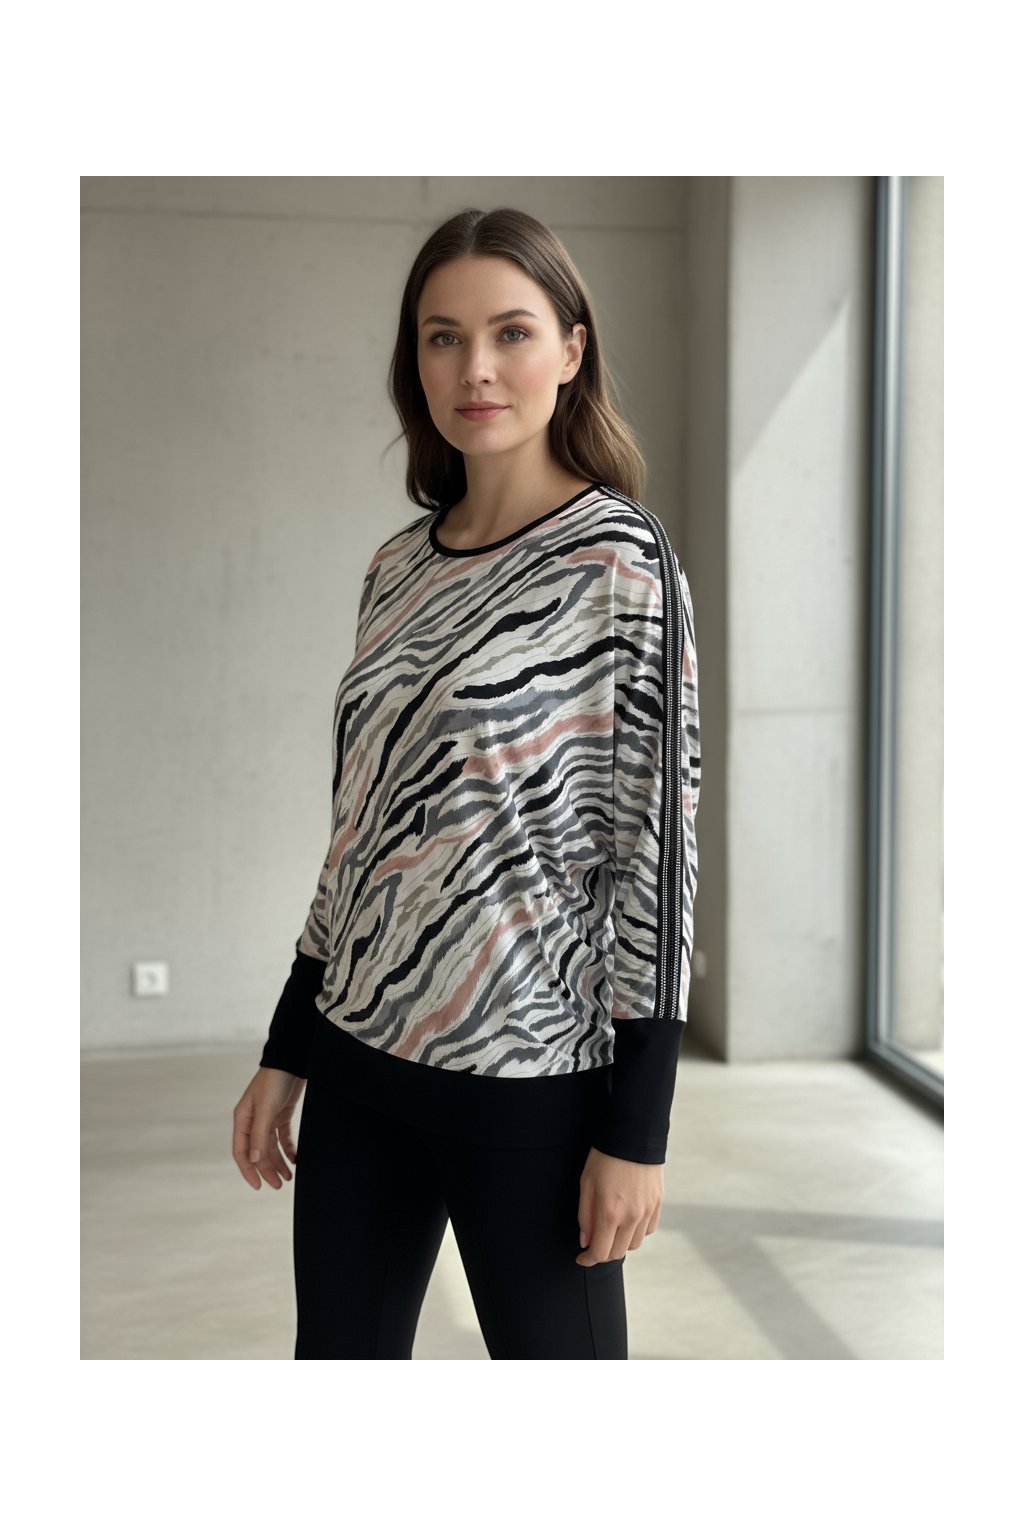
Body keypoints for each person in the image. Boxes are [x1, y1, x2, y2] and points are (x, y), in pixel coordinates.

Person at [231, 206, 701, 1360]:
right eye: (442, 337)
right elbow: (357, 837)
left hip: (525, 1079)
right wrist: (288, 1046)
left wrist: (637, 1130)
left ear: (572, 349)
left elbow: (656, 862)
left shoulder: (620, 563)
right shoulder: (395, 568)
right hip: (357, 1064)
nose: (474, 368)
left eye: (510, 332)